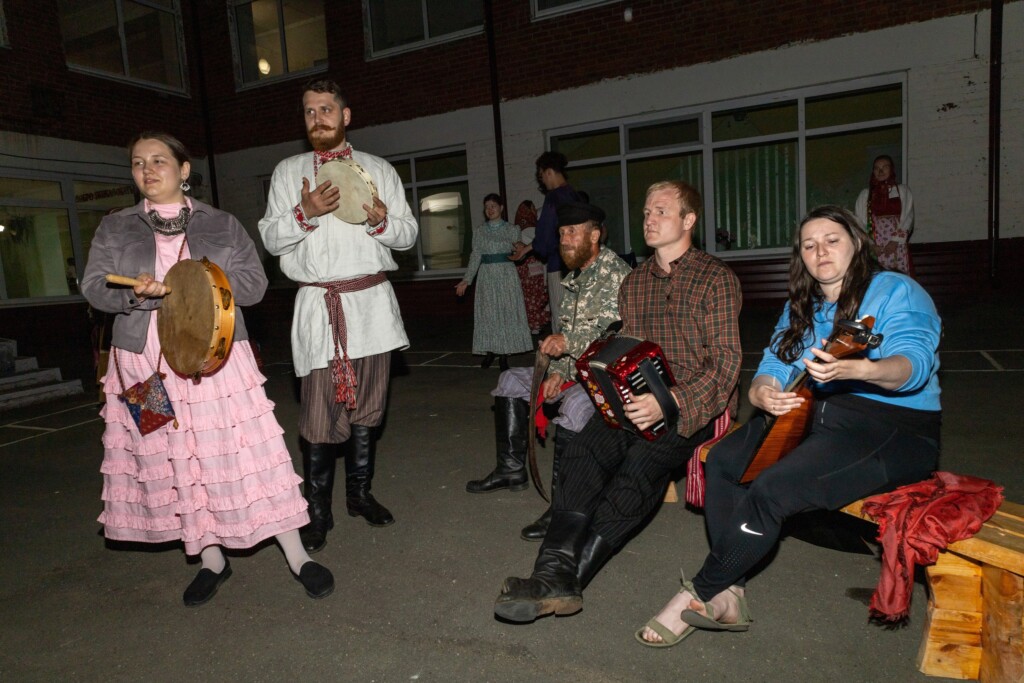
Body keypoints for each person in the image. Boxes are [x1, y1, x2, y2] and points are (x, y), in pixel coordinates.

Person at [637, 205, 942, 647]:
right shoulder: (805, 304)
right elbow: (775, 363)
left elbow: (913, 364)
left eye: (832, 241)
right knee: (723, 461)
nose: (821, 252)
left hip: (892, 428)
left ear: (857, 244)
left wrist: (860, 370)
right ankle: (731, 592)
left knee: (772, 490)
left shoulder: (896, 291)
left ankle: (699, 593)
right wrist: (762, 391)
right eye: (809, 245)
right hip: (814, 412)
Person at [81, 131, 334, 607]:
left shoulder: (221, 223)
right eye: (138, 163)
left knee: (247, 455)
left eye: (159, 160)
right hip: (142, 362)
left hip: (217, 358)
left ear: (184, 170)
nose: (147, 170)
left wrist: (203, 285)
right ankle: (211, 560)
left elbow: (254, 285)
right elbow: (94, 286)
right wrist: (133, 293)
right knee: (173, 459)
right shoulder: (115, 226)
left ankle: (298, 556)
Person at [494, 180, 742, 623]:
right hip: (637, 396)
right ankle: (550, 574)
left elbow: (725, 366)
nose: (649, 219)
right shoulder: (636, 282)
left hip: (693, 401)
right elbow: (626, 350)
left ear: (688, 220)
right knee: (584, 449)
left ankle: (568, 581)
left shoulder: (715, 278)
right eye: (646, 212)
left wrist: (669, 402)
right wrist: (602, 381)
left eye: (661, 211)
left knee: (639, 468)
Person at [258, 79, 418, 552]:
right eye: (309, 112)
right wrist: (303, 212)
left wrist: (381, 221)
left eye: (326, 110)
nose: (318, 119)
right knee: (319, 415)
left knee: (367, 410)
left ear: (345, 116)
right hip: (319, 308)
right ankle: (317, 511)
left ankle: (359, 495)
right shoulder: (288, 172)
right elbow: (270, 239)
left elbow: (407, 235)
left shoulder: (378, 169)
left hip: (371, 308)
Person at [466, 201, 632, 543]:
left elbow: (613, 336)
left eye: (572, 232)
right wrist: (557, 372)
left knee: (573, 408)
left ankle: (563, 506)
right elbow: (565, 336)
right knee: (510, 380)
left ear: (595, 236)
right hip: (574, 370)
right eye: (561, 234)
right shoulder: (576, 277)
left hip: (605, 377)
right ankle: (512, 470)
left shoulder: (617, 275)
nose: (564, 240)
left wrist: (566, 345)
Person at [455, 194, 533, 371]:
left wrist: (520, 247)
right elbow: (476, 256)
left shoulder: (512, 229)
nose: (490, 210)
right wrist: (466, 280)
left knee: (505, 313)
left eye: (493, 206)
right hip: (487, 276)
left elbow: (519, 252)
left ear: (501, 208)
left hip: (506, 275)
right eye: (487, 207)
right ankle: (490, 351)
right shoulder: (480, 231)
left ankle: (504, 354)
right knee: (488, 314)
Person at [512, 152, 581, 333]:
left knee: (560, 318)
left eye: (541, 175)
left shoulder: (554, 197)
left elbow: (545, 236)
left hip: (558, 265)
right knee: (576, 316)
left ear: (548, 172)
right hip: (578, 264)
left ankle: (561, 351)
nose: (542, 181)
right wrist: (527, 249)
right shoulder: (574, 195)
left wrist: (531, 248)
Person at [854, 155, 914, 274]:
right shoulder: (866, 195)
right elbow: (859, 222)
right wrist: (871, 245)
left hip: (897, 244)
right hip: (876, 245)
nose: (880, 171)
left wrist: (895, 241)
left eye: (885, 167)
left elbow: (907, 217)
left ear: (891, 169)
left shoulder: (902, 191)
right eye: (877, 168)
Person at [512, 200, 551, 335]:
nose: (535, 211)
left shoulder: (517, 230)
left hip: (523, 270)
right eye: (533, 208)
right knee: (535, 297)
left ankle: (529, 324)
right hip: (534, 269)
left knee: (528, 298)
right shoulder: (532, 229)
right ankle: (535, 325)